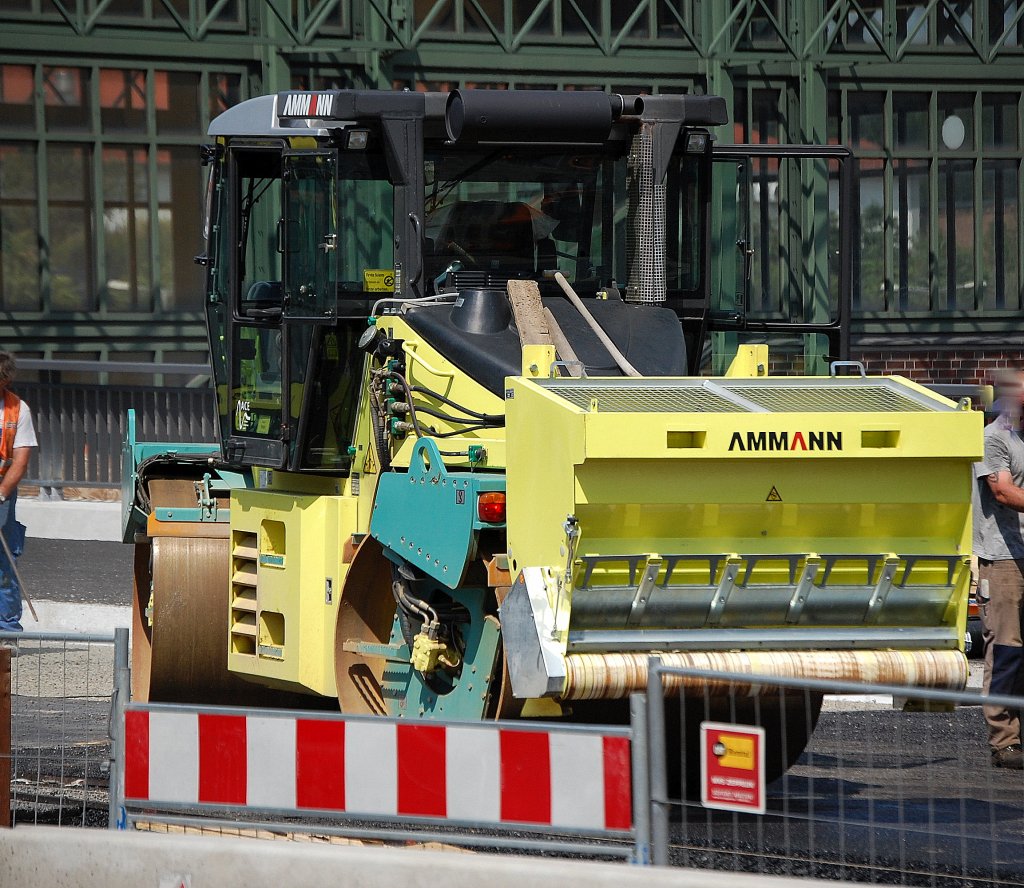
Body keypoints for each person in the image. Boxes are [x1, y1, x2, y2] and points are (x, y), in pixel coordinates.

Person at [974, 368, 1024, 769]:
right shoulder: (994, 437)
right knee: (1006, 649)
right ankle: (1004, 740)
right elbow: (1003, 491)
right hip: (1002, 557)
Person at [0, 351, 38, 633]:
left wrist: (1, 493)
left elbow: (20, 460)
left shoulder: (17, 410)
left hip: (2, 490)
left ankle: (6, 628)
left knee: (3, 559)